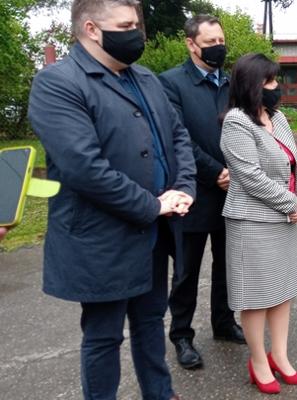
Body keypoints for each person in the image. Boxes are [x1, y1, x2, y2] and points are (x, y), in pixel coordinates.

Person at [27, 0, 196, 399]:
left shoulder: (145, 78)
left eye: (137, 23)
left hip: (155, 232)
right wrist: (152, 204)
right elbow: (83, 167)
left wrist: (184, 187)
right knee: (104, 337)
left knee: (151, 320)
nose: (136, 32)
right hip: (102, 238)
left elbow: (178, 137)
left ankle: (160, 392)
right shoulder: (59, 83)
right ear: (90, 29)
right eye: (126, 24)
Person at [220, 53, 297, 395]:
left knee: (282, 293)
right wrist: (292, 204)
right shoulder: (236, 123)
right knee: (256, 298)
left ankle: (281, 357)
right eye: (270, 81)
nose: (277, 87)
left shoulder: (280, 118)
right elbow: (251, 178)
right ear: (252, 85)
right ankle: (259, 361)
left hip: (285, 220)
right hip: (252, 223)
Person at [159, 14, 244, 370]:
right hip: (192, 194)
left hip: (232, 193)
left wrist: (237, 172)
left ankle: (224, 323)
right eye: (209, 43)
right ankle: (181, 334)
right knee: (186, 271)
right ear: (191, 45)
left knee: (228, 266)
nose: (217, 48)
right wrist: (216, 172)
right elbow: (178, 139)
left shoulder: (231, 83)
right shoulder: (171, 84)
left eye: (219, 40)